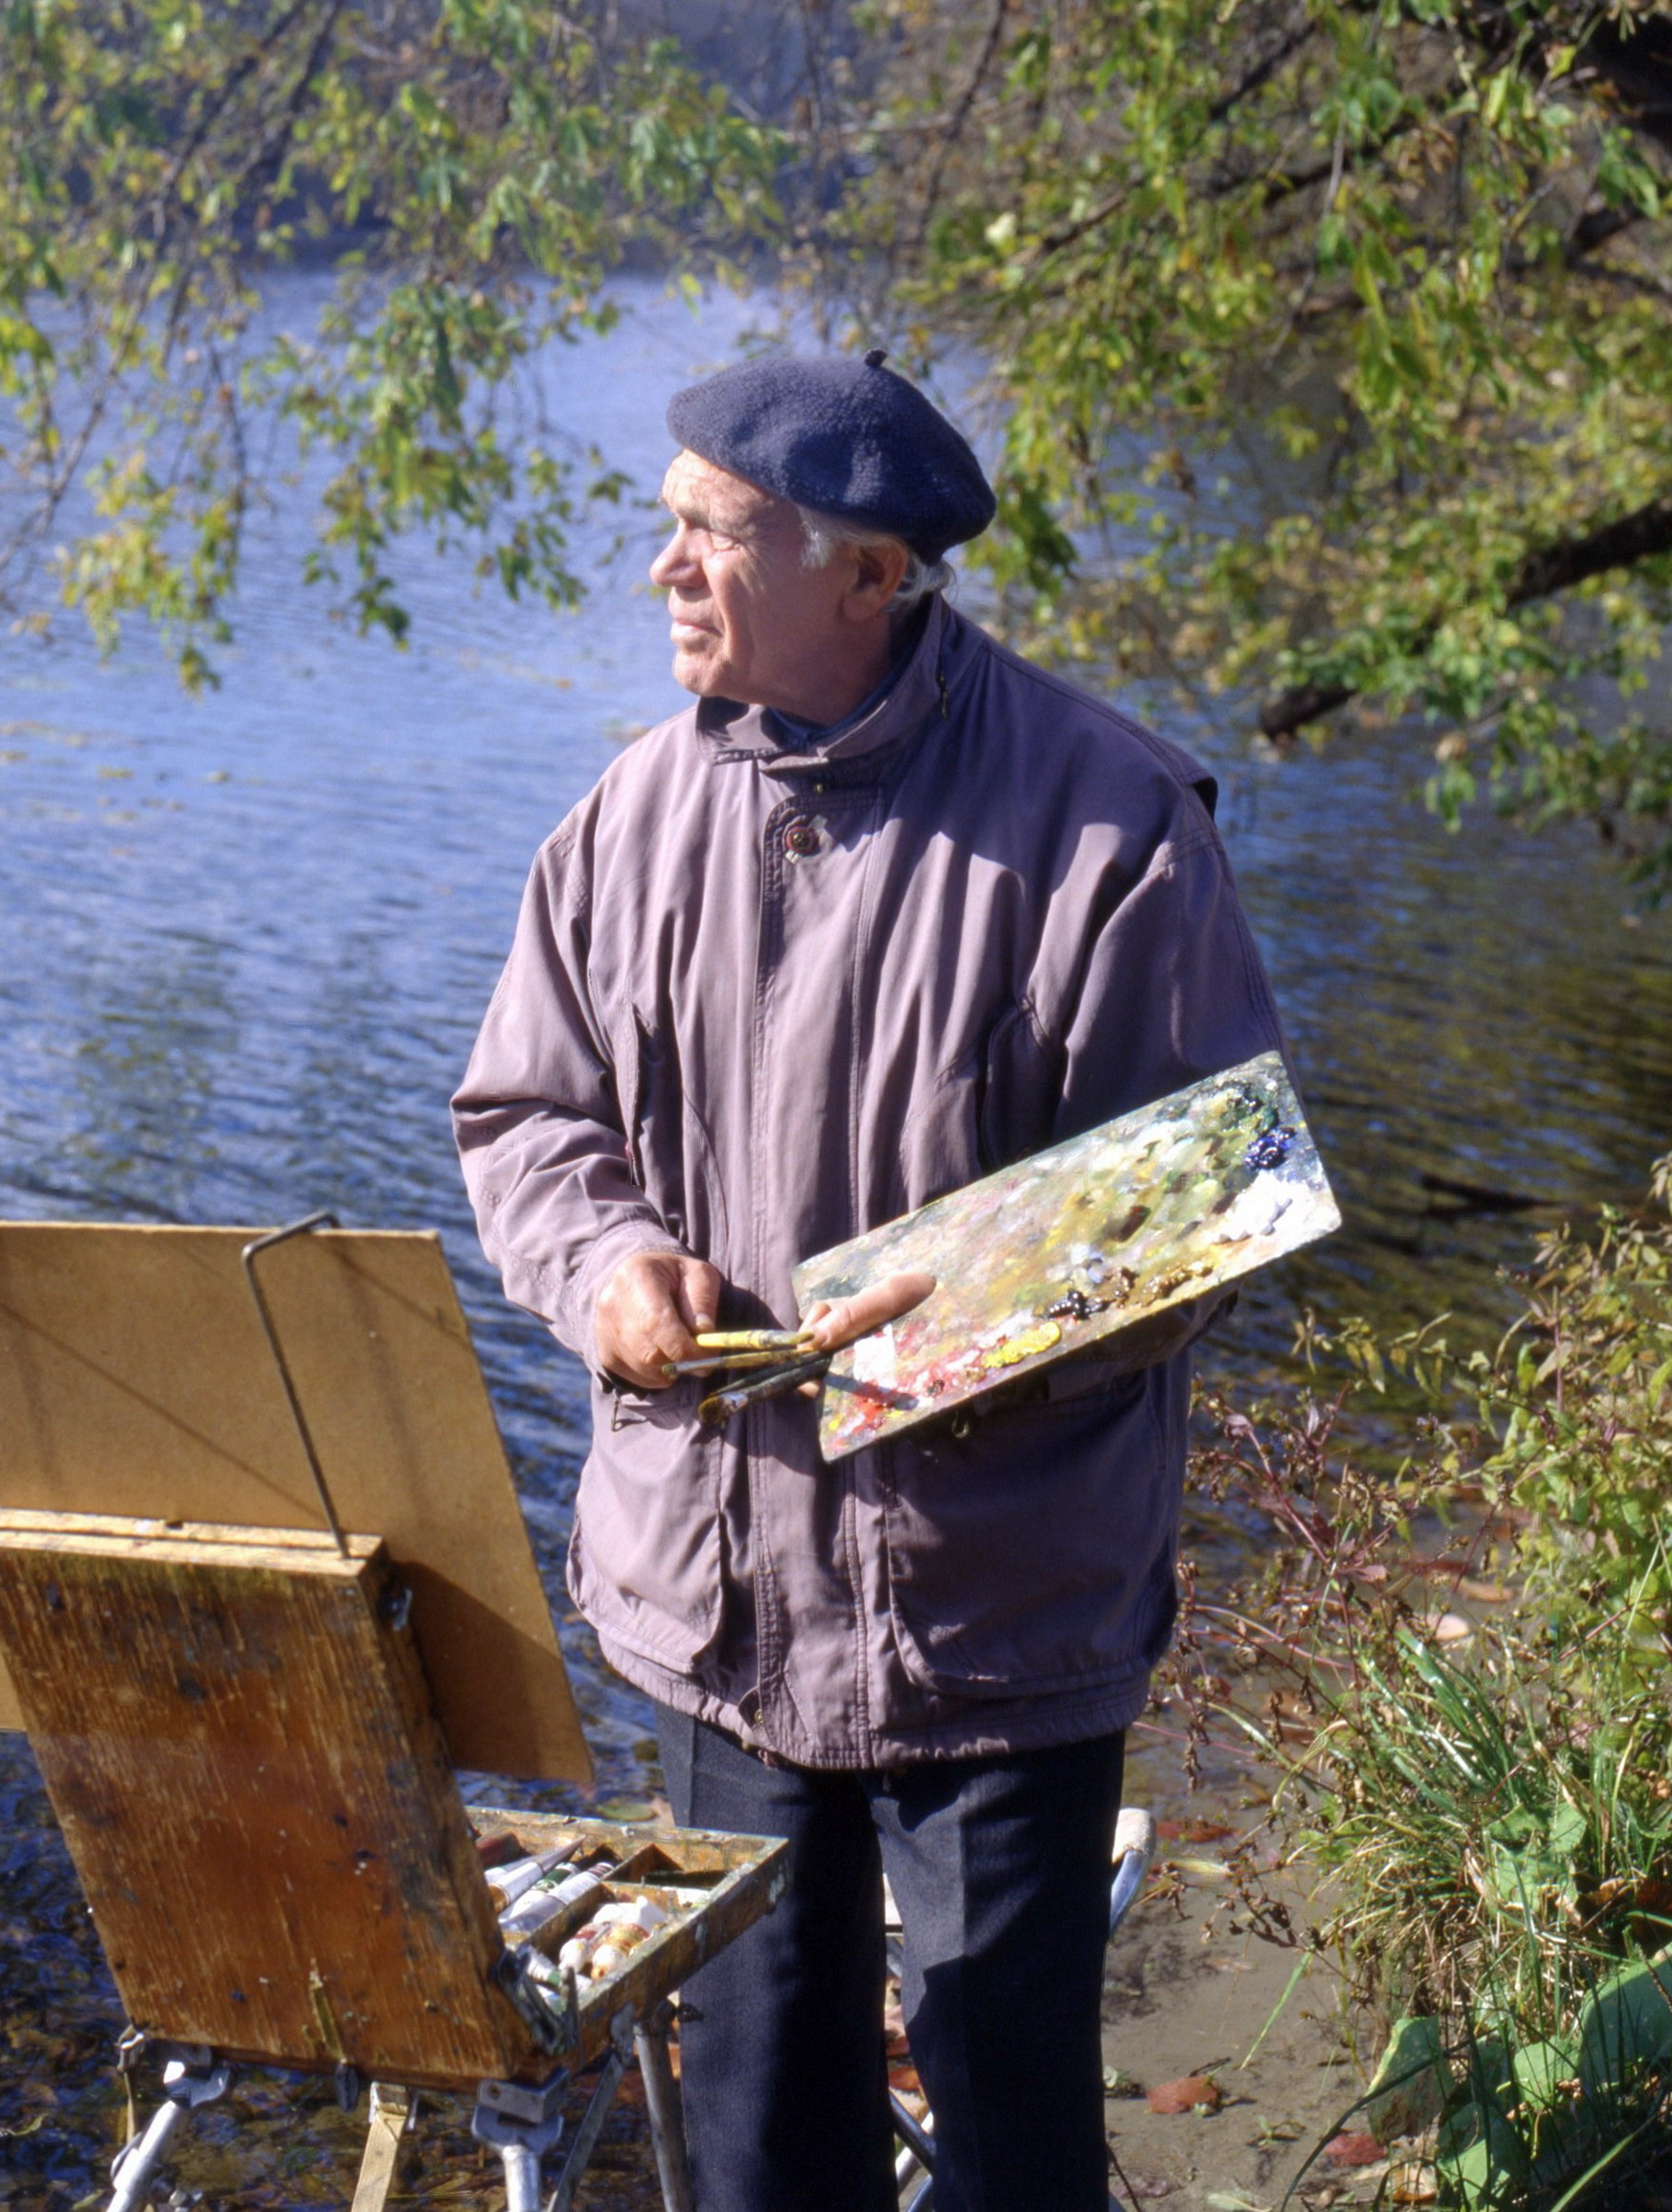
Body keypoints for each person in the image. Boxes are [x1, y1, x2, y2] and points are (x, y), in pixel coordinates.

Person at [451, 352, 1287, 2212]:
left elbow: (1217, 1183)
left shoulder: (1112, 828)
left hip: (989, 1622)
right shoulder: (626, 822)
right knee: (757, 2155)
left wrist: (989, 1297)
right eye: (665, 526)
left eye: (709, 536)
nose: (664, 570)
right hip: (716, 1605)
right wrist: (601, 1271)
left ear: (868, 572)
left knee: (1007, 2149)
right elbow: (523, 1116)